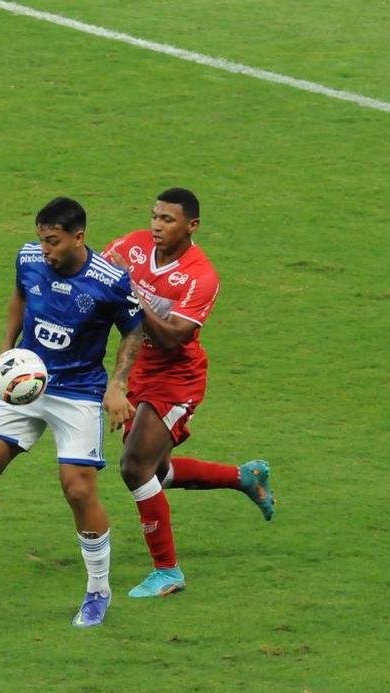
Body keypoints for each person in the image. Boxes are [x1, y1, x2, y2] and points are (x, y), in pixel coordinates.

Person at [0, 197, 142, 629]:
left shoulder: (110, 281)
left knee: (79, 491)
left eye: (53, 241)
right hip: (26, 383)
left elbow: (134, 331)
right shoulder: (28, 259)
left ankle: (98, 591)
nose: (44, 249)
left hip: (79, 392)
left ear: (78, 237)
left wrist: (117, 384)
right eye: (41, 239)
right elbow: (18, 298)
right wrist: (6, 350)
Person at [103, 188, 274, 599]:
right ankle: (243, 477)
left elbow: (172, 339)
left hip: (177, 377)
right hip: (139, 367)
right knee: (155, 472)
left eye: (168, 220)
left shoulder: (200, 275)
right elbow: (99, 281)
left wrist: (132, 290)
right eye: (155, 217)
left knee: (134, 468)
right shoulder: (133, 245)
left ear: (192, 226)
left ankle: (168, 571)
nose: (157, 226)